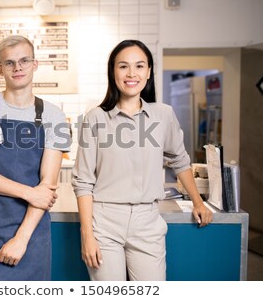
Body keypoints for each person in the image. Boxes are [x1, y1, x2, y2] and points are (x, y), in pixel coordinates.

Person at [71, 39, 213, 281]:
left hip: (147, 221)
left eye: (139, 66)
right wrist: (87, 235)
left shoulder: (163, 114)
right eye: (123, 66)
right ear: (113, 71)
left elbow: (179, 160)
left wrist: (199, 203)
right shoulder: (95, 118)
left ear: (148, 72)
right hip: (104, 222)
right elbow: (83, 181)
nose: (131, 73)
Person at [0, 35, 70, 280]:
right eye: (9, 63)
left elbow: (48, 183)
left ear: (35, 64)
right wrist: (29, 192)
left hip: (32, 229)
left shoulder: (53, 115)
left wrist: (21, 238)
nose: (17, 67)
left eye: (24, 60)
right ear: (0, 69)